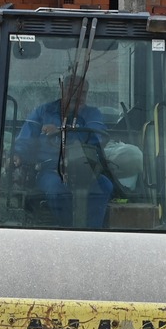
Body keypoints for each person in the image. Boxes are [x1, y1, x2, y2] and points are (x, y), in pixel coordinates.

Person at [13, 74, 114, 227]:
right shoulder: (43, 112)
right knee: (57, 190)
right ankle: (69, 230)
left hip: (86, 168)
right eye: (73, 91)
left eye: (83, 93)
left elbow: (97, 138)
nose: (78, 97)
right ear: (62, 90)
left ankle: (93, 233)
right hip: (51, 170)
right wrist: (18, 154)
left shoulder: (92, 114)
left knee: (105, 186)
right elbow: (25, 139)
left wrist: (62, 132)